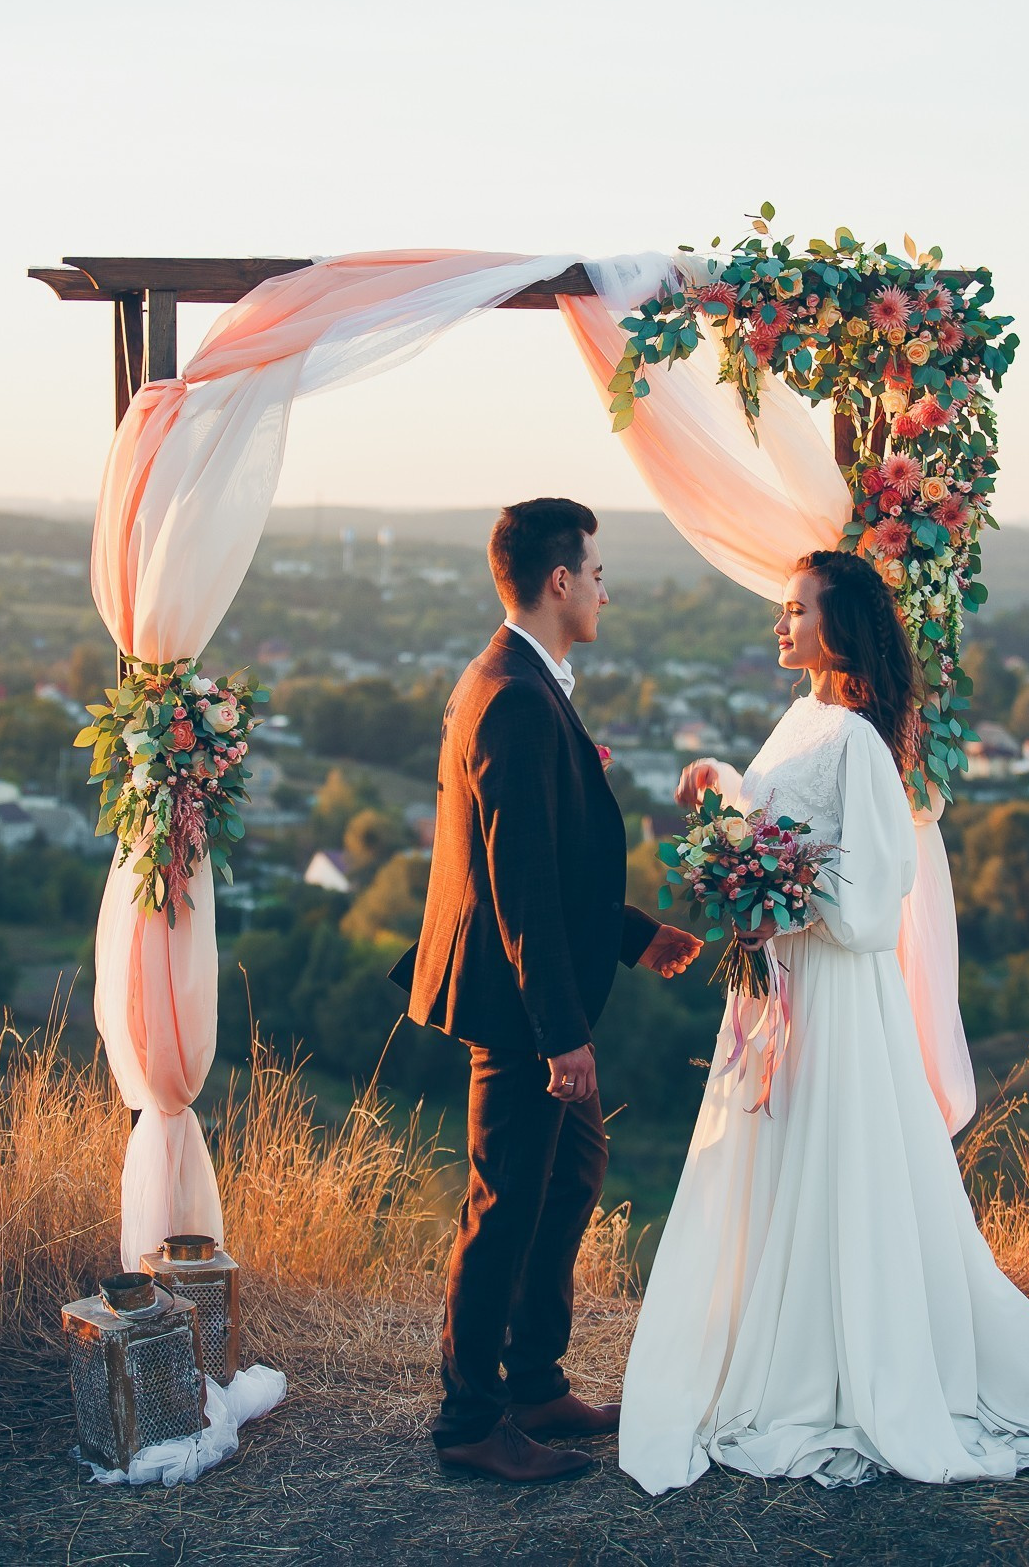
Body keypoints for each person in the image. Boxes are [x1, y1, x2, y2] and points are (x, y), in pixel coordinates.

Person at [619, 548, 1029, 1493]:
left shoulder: (864, 743)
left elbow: (876, 892)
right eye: (784, 609)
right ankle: (775, 1339)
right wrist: (725, 792)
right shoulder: (802, 719)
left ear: (839, 631)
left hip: (830, 991)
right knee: (777, 1160)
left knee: (837, 1163)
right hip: (777, 984)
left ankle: (841, 1366)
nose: (781, 623)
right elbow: (777, 829)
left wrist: (783, 905)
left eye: (798, 610)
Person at [392, 497, 701, 1483]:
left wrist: (635, 935)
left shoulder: (521, 678)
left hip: (532, 989)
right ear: (561, 581)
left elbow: (551, 863)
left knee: (568, 1178)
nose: (607, 589)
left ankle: (532, 1378)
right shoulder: (516, 694)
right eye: (598, 574)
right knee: (506, 1202)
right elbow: (517, 877)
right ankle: (471, 1422)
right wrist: (560, 1033)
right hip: (516, 1005)